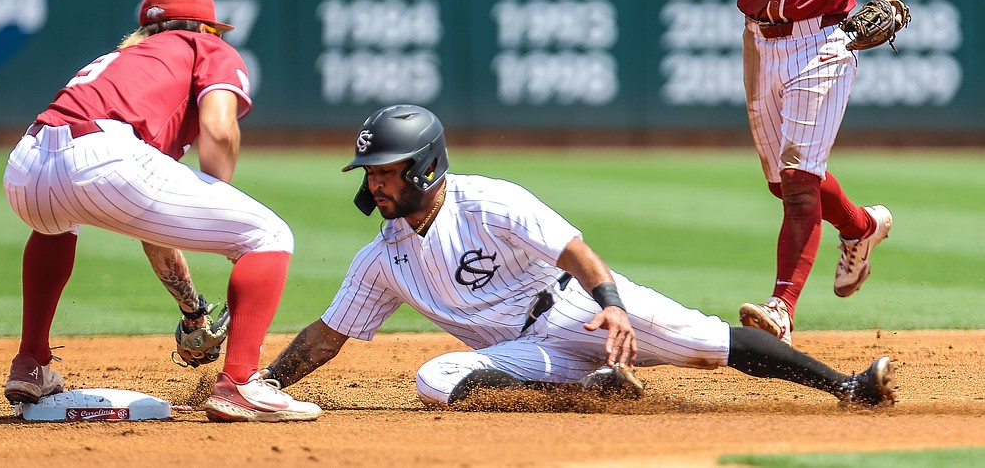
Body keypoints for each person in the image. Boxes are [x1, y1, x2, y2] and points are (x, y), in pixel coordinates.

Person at [259, 104, 895, 409]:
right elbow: (328, 333)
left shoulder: (489, 202)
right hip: (525, 354)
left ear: (424, 169)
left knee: (706, 343)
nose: (374, 184)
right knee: (435, 380)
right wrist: (265, 383)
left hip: (579, 308)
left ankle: (845, 386)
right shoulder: (382, 258)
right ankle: (592, 392)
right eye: (369, 172)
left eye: (386, 172)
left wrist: (612, 307)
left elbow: (577, 252)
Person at [1, 0, 319, 422]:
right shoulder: (204, 47)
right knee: (267, 235)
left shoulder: (125, 61)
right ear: (207, 28)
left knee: (54, 224)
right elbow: (220, 129)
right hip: (103, 156)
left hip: (25, 167)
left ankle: (31, 363)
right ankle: (241, 384)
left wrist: (193, 314)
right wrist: (218, 194)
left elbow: (152, 225)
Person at [684, 0, 913, 344]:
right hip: (760, 38)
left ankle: (781, 309)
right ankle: (862, 227)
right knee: (781, 185)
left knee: (801, 181)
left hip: (828, 38)